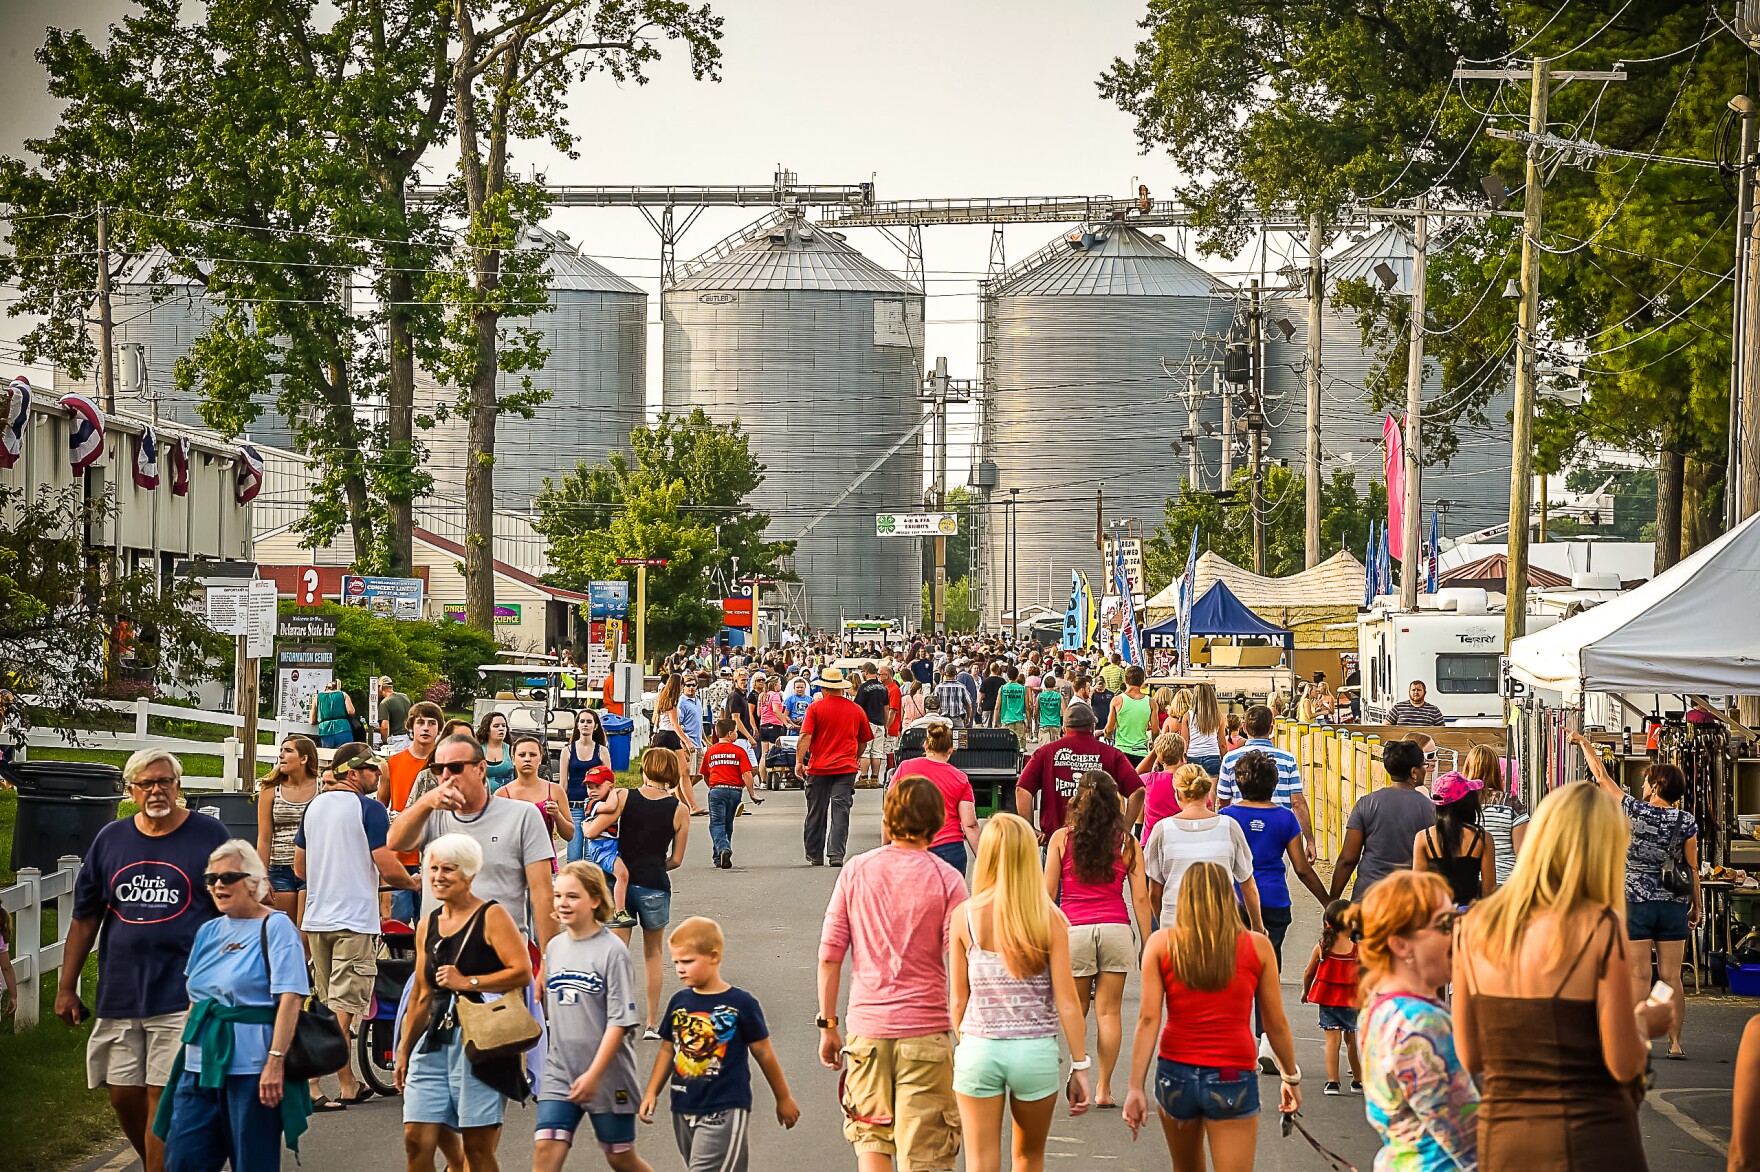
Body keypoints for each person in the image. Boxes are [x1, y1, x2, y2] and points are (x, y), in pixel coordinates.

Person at [1453, 781, 1670, 1170]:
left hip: (1503, 1139)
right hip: (1590, 1135)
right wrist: (1644, 1022)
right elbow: (1622, 1062)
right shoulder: (1600, 927)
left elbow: (1469, 1055)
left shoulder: (1476, 927)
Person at [59, 749, 231, 1172]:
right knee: (122, 1094)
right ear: (131, 791)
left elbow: (237, 905)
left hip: (185, 993)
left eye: (165, 781)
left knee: (162, 1094)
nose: (157, 790)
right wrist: (66, 987)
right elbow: (85, 918)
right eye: (146, 783)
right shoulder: (111, 839)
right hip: (121, 991)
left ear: (179, 787)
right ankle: (168, 1163)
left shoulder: (209, 836)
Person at [818, 776, 968, 1172]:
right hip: (926, 1031)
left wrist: (828, 1024)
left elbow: (830, 955)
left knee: (871, 1138)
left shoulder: (855, 871)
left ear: (888, 817)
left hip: (867, 1031)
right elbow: (961, 962)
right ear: (937, 822)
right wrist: (966, 1033)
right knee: (928, 1153)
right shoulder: (948, 879)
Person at [1123, 862, 1300, 1171]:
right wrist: (1289, 1076)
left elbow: (1148, 1020)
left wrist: (1135, 1087)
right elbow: (1275, 1023)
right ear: (1229, 896)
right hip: (1233, 1073)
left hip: (1175, 1072)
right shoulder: (1257, 947)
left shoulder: (1162, 944)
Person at [155, 840, 311, 1171]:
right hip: (199, 1064)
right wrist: (181, 1054)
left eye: (228, 877)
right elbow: (195, 997)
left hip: (252, 1069)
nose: (218, 885)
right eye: (211, 879)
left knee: (252, 1163)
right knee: (183, 1160)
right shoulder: (208, 931)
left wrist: (275, 1062)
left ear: (253, 881)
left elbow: (291, 998)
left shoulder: (277, 927)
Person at [950, 814, 1092, 1172]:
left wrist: (966, 1042)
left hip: (980, 1048)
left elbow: (957, 999)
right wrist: (1080, 1065)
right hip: (1035, 1052)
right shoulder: (1051, 919)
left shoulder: (964, 916)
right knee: (1029, 1157)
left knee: (980, 1160)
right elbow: (1067, 1002)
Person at [395, 834, 534, 1172]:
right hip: (433, 1043)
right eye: (434, 868)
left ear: (470, 875)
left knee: (477, 1148)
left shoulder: (491, 916)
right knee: (415, 1138)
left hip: (479, 1042)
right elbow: (421, 993)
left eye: (449, 870)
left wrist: (468, 982)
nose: (438, 877)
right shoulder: (428, 923)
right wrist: (403, 1049)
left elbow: (522, 973)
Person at [294, 743, 420, 1109]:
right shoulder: (369, 809)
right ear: (353, 772)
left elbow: (300, 869)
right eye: (372, 772)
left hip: (317, 919)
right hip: (353, 920)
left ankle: (348, 1083)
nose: (378, 778)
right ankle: (312, 1082)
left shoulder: (314, 807)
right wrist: (412, 882)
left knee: (327, 1002)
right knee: (346, 1006)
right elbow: (386, 863)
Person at [1572, 730, 1700, 1061]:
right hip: (1672, 904)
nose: (1642, 786)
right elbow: (1692, 867)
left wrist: (1585, 743)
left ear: (1656, 785)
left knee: (1640, 974)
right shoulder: (1685, 820)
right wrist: (1696, 906)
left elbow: (1601, 776)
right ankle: (1674, 1042)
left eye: (1647, 781)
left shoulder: (1634, 810)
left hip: (1636, 902)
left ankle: (1638, 1037)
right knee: (1672, 976)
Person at [638, 916, 801, 1168]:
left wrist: (783, 1097)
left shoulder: (741, 1004)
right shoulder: (679, 1002)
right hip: (683, 1107)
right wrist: (651, 1092)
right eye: (676, 962)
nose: (680, 968)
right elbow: (667, 1050)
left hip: (725, 1108)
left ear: (714, 956)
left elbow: (764, 1053)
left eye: (688, 961)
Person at [1349, 870, 1480, 1171]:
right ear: (1400, 944)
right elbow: (1469, 1138)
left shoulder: (1379, 1008)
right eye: (1445, 925)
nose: (1458, 932)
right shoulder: (1421, 1024)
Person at [388, 733, 559, 956]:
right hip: (439, 962)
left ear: (481, 769)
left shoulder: (522, 816)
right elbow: (395, 841)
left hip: (500, 963)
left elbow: (542, 894)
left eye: (456, 767)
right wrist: (426, 802)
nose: (446, 776)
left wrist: (550, 961)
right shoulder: (433, 815)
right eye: (439, 769)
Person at [1043, 771, 1153, 1109]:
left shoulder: (1062, 839)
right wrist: (1148, 942)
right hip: (1116, 930)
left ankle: (1080, 1070)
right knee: (1110, 1013)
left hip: (1073, 931)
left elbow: (1047, 895)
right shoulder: (1127, 842)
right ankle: (1105, 1089)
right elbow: (1141, 899)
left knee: (1078, 1010)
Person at [533, 861, 651, 1172]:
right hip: (560, 1072)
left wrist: (593, 1075)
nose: (562, 904)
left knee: (620, 1158)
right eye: (558, 896)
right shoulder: (555, 948)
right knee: (545, 1151)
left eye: (572, 896)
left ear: (596, 899)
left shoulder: (612, 951)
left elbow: (619, 1022)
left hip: (608, 1075)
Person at [589, 748, 689, 1038]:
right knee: (653, 954)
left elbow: (597, 830)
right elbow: (677, 859)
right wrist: (658, 865)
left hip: (619, 883)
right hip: (655, 884)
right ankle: (652, 1023)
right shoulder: (679, 809)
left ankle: (618, 1017)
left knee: (619, 954)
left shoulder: (623, 796)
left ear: (645, 768)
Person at [1143, 766, 1263, 932]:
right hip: (1221, 929)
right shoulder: (1229, 826)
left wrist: (1163, 921)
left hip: (1175, 927)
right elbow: (1248, 885)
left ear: (1178, 793)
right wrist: (1258, 927)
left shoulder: (1162, 829)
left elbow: (1155, 891)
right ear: (1207, 793)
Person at [1016, 702, 1145, 845]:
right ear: (1092, 726)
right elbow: (1138, 791)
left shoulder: (1046, 753)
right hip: (1100, 844)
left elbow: (1022, 790)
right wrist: (1125, 829)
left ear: (1064, 728)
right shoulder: (1111, 754)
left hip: (1057, 842)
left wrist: (1030, 828)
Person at [1329, 739, 1436, 901]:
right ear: (1414, 772)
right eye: (1423, 766)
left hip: (1368, 899)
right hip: (1408, 903)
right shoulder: (1429, 808)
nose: (1425, 770)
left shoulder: (1366, 803)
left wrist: (1332, 901)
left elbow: (1348, 859)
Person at [1215, 705, 1317, 860]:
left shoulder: (1230, 759)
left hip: (1240, 830)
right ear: (1271, 727)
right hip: (1278, 833)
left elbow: (1223, 801)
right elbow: (1297, 803)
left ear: (1244, 727)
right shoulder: (1287, 759)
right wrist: (1309, 840)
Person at [795, 666, 872, 867]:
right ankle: (836, 853)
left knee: (816, 811)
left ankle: (815, 853)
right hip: (845, 769)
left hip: (819, 768)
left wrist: (798, 761)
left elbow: (805, 736)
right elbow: (863, 740)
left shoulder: (815, 708)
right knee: (841, 811)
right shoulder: (856, 709)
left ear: (826, 689)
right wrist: (854, 757)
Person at [380, 701, 443, 923]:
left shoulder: (444, 765)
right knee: (400, 919)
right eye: (420, 723)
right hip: (402, 855)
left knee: (431, 920)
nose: (425, 728)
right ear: (411, 727)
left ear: (439, 729)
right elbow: (382, 807)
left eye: (431, 723)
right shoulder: (394, 763)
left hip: (434, 852)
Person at [888, 722, 978, 873]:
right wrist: (985, 860)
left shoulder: (905, 768)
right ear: (951, 750)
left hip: (911, 847)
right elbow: (970, 825)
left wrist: (887, 848)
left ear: (926, 746)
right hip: (950, 849)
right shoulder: (960, 778)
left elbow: (890, 810)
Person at [1301, 900, 1363, 1096]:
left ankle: (1332, 1082)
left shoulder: (1321, 948)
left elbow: (1308, 973)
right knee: (1351, 1039)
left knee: (1332, 1041)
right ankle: (1357, 1080)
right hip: (1351, 1001)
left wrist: (1306, 991)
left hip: (1327, 1000)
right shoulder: (1357, 951)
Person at [255, 736, 318, 924]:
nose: (281, 755)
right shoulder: (270, 789)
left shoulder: (322, 787)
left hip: (312, 867)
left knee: (306, 933)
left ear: (304, 758)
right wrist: (262, 877)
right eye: (281, 750)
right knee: (285, 930)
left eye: (288, 751)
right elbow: (264, 838)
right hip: (279, 868)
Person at [1414, 770, 1495, 907]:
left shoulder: (1423, 838)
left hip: (1437, 915)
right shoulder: (1482, 838)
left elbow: (1418, 889)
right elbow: (1489, 892)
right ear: (1466, 802)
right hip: (1469, 917)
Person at [495, 734, 575, 866]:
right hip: (511, 866)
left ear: (540, 758)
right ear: (513, 759)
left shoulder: (555, 791)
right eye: (522, 755)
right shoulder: (502, 794)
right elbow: (495, 836)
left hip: (545, 864)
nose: (527, 759)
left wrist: (557, 815)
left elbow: (569, 835)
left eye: (532, 755)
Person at [579, 763, 638, 930]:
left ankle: (602, 910)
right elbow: (612, 807)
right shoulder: (591, 803)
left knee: (605, 881)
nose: (592, 791)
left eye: (597, 786)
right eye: (589, 787)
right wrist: (614, 791)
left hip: (610, 844)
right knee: (622, 875)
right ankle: (620, 911)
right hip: (601, 847)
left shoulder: (603, 798)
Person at [1463, 744, 1527, 887]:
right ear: (1496, 770)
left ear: (1468, 769)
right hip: (1506, 883)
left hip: (1471, 884)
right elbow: (1523, 852)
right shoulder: (1511, 803)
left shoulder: (1460, 804)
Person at [702, 719, 762, 870]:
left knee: (716, 823)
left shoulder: (711, 751)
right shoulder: (739, 751)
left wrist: (712, 786)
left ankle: (723, 850)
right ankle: (719, 856)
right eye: (736, 731)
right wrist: (752, 794)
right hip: (735, 792)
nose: (736, 734)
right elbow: (747, 774)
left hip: (717, 790)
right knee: (727, 823)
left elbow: (704, 774)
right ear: (730, 734)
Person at [564, 709, 614, 864]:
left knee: (591, 857)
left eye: (589, 722)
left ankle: (590, 887)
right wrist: (562, 808)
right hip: (575, 807)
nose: (585, 725)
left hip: (595, 807)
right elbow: (563, 783)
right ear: (577, 725)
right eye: (582, 721)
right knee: (574, 857)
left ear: (596, 726)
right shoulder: (567, 751)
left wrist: (609, 805)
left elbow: (609, 782)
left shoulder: (602, 751)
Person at [650, 676, 701, 816]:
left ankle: (688, 804)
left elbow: (656, 719)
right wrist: (687, 742)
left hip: (662, 734)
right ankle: (691, 805)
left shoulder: (663, 698)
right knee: (681, 771)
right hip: (670, 735)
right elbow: (674, 724)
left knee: (680, 771)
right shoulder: (671, 701)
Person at [1137, 732, 1188, 843]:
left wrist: (1154, 753)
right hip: (1181, 840)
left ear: (1160, 758)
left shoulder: (1150, 780)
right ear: (1182, 757)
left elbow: (1133, 777)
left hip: (1152, 840)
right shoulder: (1190, 781)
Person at [853, 663, 891, 789]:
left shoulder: (863, 688)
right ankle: (875, 778)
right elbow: (886, 708)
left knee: (865, 750)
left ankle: (864, 778)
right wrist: (886, 724)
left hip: (867, 722)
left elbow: (857, 708)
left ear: (866, 672)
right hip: (880, 722)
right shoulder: (883, 688)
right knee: (877, 751)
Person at [756, 674, 791, 787]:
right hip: (774, 725)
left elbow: (759, 713)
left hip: (763, 725)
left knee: (764, 754)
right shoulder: (775, 695)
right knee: (774, 752)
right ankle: (774, 776)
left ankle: (763, 781)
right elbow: (776, 710)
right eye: (780, 683)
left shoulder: (762, 695)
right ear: (775, 685)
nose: (781, 685)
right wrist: (785, 723)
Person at [309, 680, 357, 749]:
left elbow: (312, 720)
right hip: (343, 728)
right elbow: (351, 711)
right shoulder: (343, 694)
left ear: (326, 688)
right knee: (346, 754)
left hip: (325, 730)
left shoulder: (317, 697)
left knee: (328, 756)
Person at [477, 712, 516, 792]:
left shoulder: (511, 750)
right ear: (487, 730)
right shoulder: (478, 750)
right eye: (496, 726)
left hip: (508, 798)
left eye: (504, 726)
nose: (501, 729)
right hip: (483, 798)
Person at [996, 665, 1029, 748]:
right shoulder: (1023, 689)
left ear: (1007, 675)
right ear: (1017, 675)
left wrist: (996, 722)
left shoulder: (1003, 688)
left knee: (1006, 747)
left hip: (1006, 721)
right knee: (1020, 748)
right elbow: (1027, 707)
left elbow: (997, 707)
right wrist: (1028, 721)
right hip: (1019, 721)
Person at [377, 679, 413, 751]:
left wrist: (384, 742)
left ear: (380, 688)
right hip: (410, 739)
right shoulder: (405, 697)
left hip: (397, 741)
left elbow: (385, 727)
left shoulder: (385, 703)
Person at [1037, 670, 1063, 745]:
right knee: (1055, 748)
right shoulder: (1058, 696)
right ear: (1054, 684)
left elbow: (1036, 710)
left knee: (1043, 748)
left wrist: (1036, 719)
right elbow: (1064, 711)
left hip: (1044, 724)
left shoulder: (1040, 696)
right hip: (1055, 723)